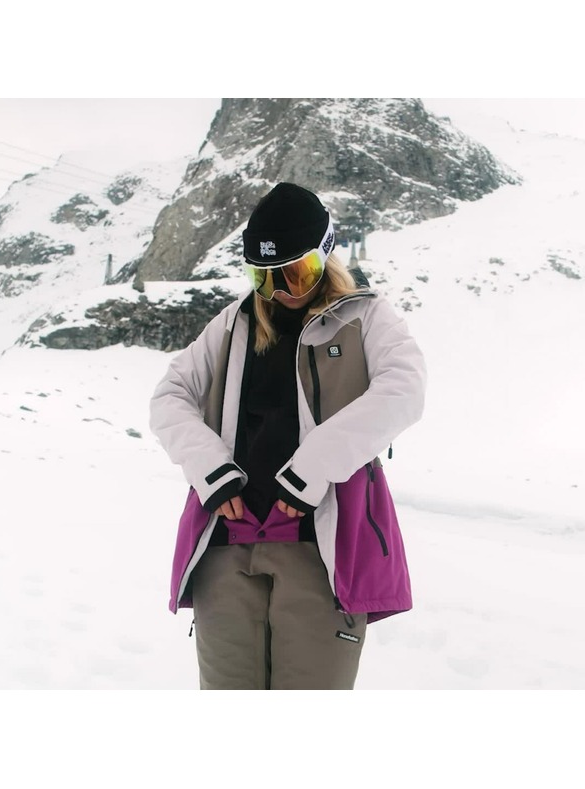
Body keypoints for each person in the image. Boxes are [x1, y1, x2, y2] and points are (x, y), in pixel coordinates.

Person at [149, 182, 427, 690]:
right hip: (225, 551)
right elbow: (170, 396)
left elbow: (404, 391)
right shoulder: (233, 324)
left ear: (326, 255)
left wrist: (309, 472)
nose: (279, 291)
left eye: (296, 273)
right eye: (264, 275)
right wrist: (211, 470)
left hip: (321, 555)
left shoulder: (366, 317)